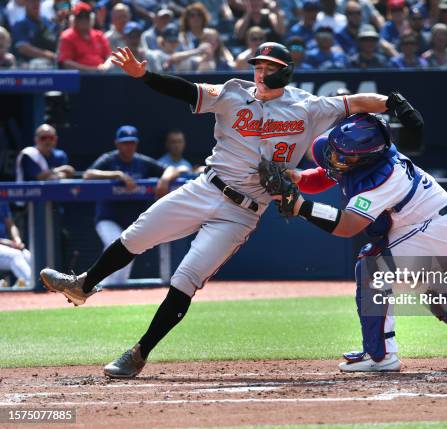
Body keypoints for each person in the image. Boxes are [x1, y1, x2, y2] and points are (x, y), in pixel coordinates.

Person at [40, 41, 399, 379]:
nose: (260, 71)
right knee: (136, 236)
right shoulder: (232, 93)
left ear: (286, 70)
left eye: (269, 66)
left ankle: (138, 354)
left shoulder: (308, 107)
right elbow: (185, 90)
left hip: (242, 211)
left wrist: (394, 103)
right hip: (204, 187)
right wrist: (144, 76)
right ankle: (83, 285)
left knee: (186, 278)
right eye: (257, 65)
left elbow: (356, 102)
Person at [265, 112, 447, 372]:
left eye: (345, 155)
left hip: (435, 231)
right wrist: (297, 177)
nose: (335, 157)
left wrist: (301, 207)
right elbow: (327, 174)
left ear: (367, 156)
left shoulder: (384, 176)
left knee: (371, 266)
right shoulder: (360, 153)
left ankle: (380, 355)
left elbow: (348, 226)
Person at [82, 125, 181, 286]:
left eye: (131, 143)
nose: (128, 146)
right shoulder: (109, 159)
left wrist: (164, 180)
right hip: (108, 218)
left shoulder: (141, 161)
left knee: (126, 252)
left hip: (132, 220)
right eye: (125, 143)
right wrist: (117, 174)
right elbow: (88, 175)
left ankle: (110, 289)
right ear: (117, 144)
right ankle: (106, 287)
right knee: (115, 243)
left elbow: (171, 169)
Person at [56, 2, 112, 71]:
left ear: (91, 18)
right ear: (74, 19)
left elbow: (109, 56)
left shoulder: (99, 35)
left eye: (86, 17)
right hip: (79, 78)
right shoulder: (67, 36)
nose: (84, 20)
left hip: (101, 75)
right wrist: (93, 70)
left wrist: (105, 66)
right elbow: (66, 63)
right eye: (80, 17)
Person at [11, 0, 58, 68]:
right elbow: (23, 48)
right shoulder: (20, 23)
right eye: (32, 1)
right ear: (25, 3)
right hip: (27, 65)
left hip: (51, 63)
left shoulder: (46, 21)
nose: (35, 4)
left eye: (37, 1)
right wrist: (49, 55)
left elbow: (55, 40)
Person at [0, 202, 32, 289]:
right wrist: (9, 243)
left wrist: (17, 239)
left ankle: (42, 284)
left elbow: (11, 225)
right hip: (4, 245)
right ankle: (31, 285)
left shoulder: (2, 202)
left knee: (27, 255)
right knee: (15, 255)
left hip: (6, 246)